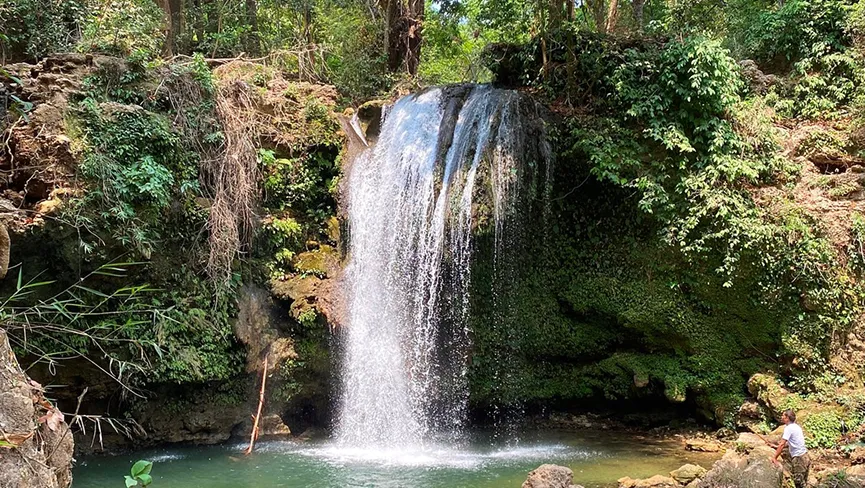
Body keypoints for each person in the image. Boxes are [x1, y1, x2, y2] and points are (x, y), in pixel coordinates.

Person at [772, 409, 810, 488]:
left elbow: (782, 444)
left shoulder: (788, 428)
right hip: (805, 456)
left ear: (787, 418)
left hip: (799, 458)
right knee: (804, 483)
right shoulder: (796, 426)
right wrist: (776, 446)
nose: (782, 417)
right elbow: (793, 442)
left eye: (783, 415)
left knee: (798, 483)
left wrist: (774, 458)